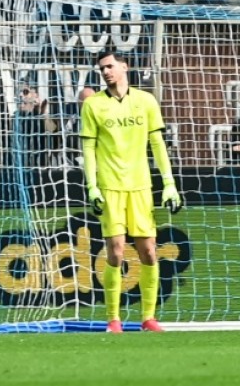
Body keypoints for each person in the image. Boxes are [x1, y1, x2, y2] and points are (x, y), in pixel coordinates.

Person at [80, 51, 182, 333]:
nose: (106, 72)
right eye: (102, 69)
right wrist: (92, 186)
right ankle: (113, 319)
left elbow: (157, 143)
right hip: (110, 186)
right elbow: (88, 148)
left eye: (110, 66)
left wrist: (169, 183)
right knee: (115, 251)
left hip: (140, 186)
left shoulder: (146, 101)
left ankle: (148, 318)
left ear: (124, 66)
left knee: (148, 251)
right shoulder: (93, 105)